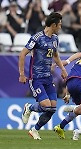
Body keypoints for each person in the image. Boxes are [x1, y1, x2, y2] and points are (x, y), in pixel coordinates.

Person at [19, 12, 68, 140]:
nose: (61, 27)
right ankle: (29, 107)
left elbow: (56, 56)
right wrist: (22, 74)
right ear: (53, 25)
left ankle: (34, 130)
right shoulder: (37, 38)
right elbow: (22, 54)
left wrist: (63, 69)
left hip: (48, 78)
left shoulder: (55, 39)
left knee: (52, 109)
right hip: (36, 78)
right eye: (60, 24)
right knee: (46, 105)